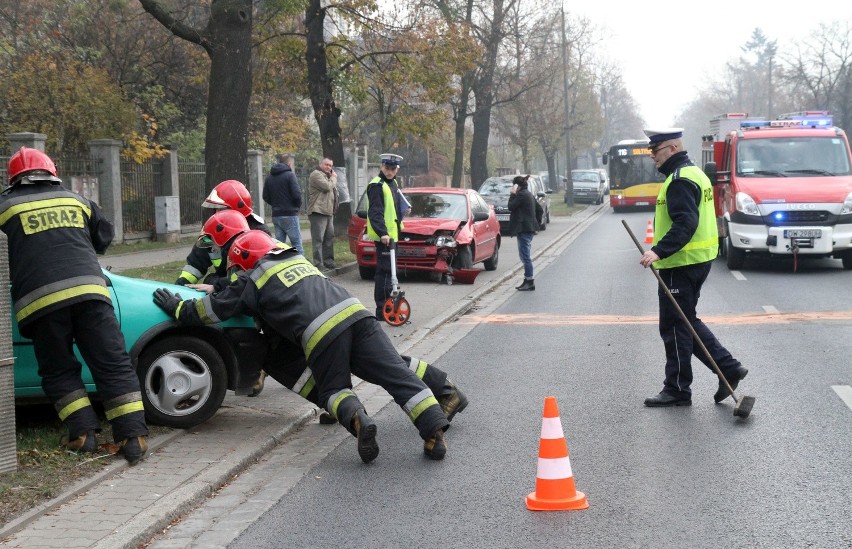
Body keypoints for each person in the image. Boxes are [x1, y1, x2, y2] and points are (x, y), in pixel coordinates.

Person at [153, 230, 455, 462]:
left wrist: (178, 308)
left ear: (244, 261)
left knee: (334, 389)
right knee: (397, 376)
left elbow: (211, 311)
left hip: (323, 332)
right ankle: (434, 434)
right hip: (358, 315)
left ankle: (358, 419)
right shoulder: (298, 260)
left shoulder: (252, 279)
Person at [198, 210, 468, 427]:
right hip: (338, 308)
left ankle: (443, 390)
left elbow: (246, 289)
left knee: (380, 364)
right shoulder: (261, 242)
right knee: (381, 363)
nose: (209, 250)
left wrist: (213, 294)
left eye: (211, 243)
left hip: (315, 318)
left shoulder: (249, 249)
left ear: (226, 239)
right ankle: (439, 390)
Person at [0, 148, 148, 464]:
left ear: (14, 179)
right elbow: (104, 238)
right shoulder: (77, 200)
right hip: (91, 295)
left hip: (40, 303)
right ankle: (133, 437)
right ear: (52, 172)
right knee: (112, 363)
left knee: (58, 368)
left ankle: (83, 435)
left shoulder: (4, 207)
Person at [639, 128, 749, 407]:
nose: (653, 157)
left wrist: (658, 251)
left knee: (675, 326)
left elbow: (685, 222)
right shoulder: (694, 173)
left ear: (673, 148)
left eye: (656, 150)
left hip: (681, 263)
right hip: (697, 261)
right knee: (686, 321)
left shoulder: (679, 180)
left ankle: (677, 388)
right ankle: (728, 368)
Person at [176, 179, 270, 396]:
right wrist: (180, 288)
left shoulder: (257, 234)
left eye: (220, 208)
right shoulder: (216, 227)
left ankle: (258, 367)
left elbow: (251, 280)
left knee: (250, 325)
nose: (214, 213)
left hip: (247, 288)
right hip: (225, 282)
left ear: (235, 209)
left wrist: (215, 285)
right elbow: (196, 262)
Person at [366, 153, 411, 319]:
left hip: (393, 235)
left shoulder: (392, 184)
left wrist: (404, 210)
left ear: (397, 170)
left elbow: (392, 207)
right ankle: (382, 311)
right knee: (385, 273)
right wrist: (382, 233)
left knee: (391, 272)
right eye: (387, 168)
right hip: (384, 237)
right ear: (381, 167)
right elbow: (375, 212)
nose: (389, 171)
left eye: (393, 169)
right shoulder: (377, 185)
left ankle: (389, 308)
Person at [508, 174, 543, 292]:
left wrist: (512, 194)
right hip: (527, 229)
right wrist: (535, 224)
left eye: (513, 186)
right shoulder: (529, 194)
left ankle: (529, 281)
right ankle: (527, 280)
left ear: (516, 186)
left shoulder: (522, 195)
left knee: (525, 257)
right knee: (524, 255)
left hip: (524, 229)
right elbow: (540, 209)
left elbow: (510, 206)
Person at [263, 154, 304, 255]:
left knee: (279, 246)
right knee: (297, 244)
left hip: (276, 214)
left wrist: (275, 205)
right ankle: (301, 265)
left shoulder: (269, 177)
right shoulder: (290, 175)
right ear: (289, 163)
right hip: (290, 214)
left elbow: (265, 196)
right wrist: (296, 207)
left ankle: (280, 265)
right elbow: (297, 194)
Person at [307, 157, 339, 270]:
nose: (329, 167)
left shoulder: (328, 176)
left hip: (328, 212)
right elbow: (327, 187)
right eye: (326, 164)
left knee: (329, 238)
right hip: (318, 211)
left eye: (330, 166)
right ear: (320, 164)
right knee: (318, 239)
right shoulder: (316, 174)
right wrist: (334, 178)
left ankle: (329, 262)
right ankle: (318, 263)